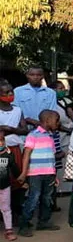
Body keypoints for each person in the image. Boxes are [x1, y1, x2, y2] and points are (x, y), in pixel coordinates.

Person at [17, 110, 62, 237]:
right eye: (56, 120)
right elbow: (26, 154)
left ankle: (43, 222)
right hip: (35, 174)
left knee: (47, 198)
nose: (58, 123)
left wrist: (54, 173)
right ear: (47, 120)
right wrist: (24, 173)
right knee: (34, 198)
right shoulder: (33, 135)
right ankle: (24, 224)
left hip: (49, 173)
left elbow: (51, 156)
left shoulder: (51, 136)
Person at [0, 82, 27, 225]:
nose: (10, 95)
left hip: (15, 148)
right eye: (6, 93)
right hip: (1, 151)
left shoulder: (17, 110)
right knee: (3, 180)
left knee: (17, 180)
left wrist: (10, 129)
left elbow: (25, 129)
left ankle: (16, 212)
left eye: (11, 92)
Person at [51, 80, 73, 198]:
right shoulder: (50, 103)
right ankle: (58, 189)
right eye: (59, 88)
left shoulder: (67, 101)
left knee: (67, 161)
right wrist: (67, 130)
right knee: (59, 161)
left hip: (70, 134)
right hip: (59, 135)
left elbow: (72, 114)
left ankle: (66, 188)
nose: (63, 90)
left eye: (63, 88)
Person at [0, 133, 20, 241]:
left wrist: (21, 180)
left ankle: (9, 231)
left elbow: (14, 168)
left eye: (2, 140)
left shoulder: (8, 154)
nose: (1, 143)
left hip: (4, 186)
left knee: (6, 209)